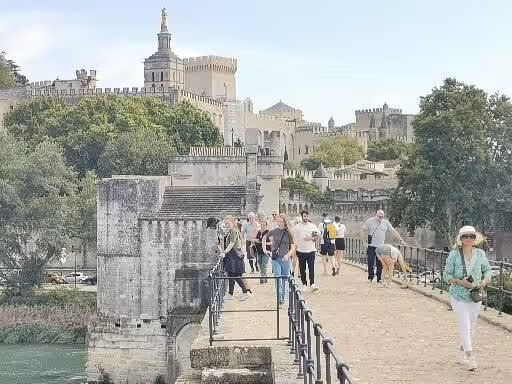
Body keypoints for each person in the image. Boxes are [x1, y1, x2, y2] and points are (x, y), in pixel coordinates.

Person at [443, 225, 491, 371]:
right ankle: (470, 357)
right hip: (458, 295)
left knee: (472, 325)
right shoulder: (454, 255)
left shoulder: (481, 254)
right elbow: (447, 275)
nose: (469, 239)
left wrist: (484, 282)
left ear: (475, 238)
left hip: (475, 295)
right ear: (461, 239)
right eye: (466, 236)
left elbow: (487, 271)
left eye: (471, 236)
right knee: (465, 325)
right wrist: (458, 281)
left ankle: (461, 352)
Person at [362, 210, 405, 286]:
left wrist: (400, 239)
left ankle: (379, 279)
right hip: (371, 245)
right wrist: (364, 242)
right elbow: (364, 230)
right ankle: (370, 277)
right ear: (376, 215)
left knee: (380, 264)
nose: (381, 218)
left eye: (382, 216)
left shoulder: (385, 222)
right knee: (370, 262)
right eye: (379, 216)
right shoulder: (370, 221)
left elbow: (393, 231)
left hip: (381, 247)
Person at [263, 213, 296, 306]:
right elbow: (264, 237)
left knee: (285, 278)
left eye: (281, 221)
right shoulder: (274, 231)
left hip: (285, 259)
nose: (279, 223)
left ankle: (283, 297)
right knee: (278, 277)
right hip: (276, 258)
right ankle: (279, 298)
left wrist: (288, 255)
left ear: (285, 222)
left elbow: (293, 247)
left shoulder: (289, 232)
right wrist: (264, 249)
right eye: (278, 221)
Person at [220, 216, 253, 301]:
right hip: (233, 254)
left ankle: (245, 292)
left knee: (234, 275)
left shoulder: (233, 231)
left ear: (232, 223)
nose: (226, 225)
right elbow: (240, 242)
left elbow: (232, 243)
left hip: (234, 255)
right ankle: (231, 293)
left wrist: (224, 252)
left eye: (228, 223)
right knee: (232, 274)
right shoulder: (234, 231)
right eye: (226, 223)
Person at [294, 211, 320, 292]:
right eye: (304, 216)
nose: (306, 218)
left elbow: (318, 235)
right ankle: (304, 284)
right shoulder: (297, 227)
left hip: (311, 250)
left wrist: (311, 238)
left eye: (307, 216)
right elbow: (294, 237)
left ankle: (312, 284)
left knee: (311, 267)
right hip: (301, 251)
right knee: (302, 269)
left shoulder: (312, 226)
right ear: (302, 217)